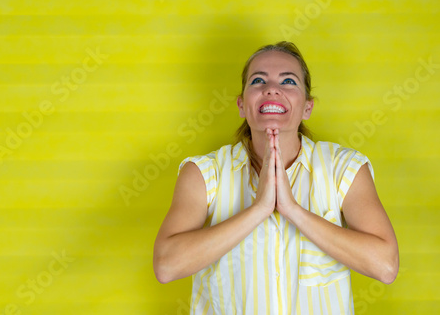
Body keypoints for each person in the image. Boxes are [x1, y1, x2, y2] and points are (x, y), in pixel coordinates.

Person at [153, 41, 399, 314]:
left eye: (288, 81)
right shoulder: (203, 173)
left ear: (307, 107)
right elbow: (166, 266)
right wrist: (258, 210)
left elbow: (385, 267)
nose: (271, 88)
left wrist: (293, 211)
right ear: (242, 105)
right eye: (258, 80)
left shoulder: (344, 168)